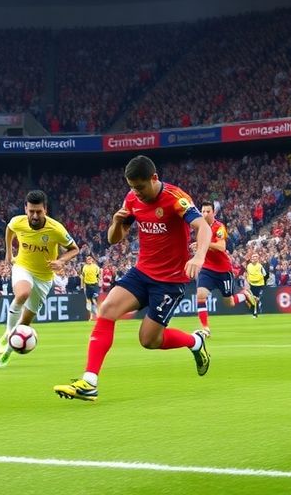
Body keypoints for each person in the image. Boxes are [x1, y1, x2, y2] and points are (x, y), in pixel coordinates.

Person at [54, 155, 212, 402]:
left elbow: (203, 227)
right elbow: (113, 239)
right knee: (106, 309)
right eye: (131, 187)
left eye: (140, 187)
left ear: (154, 179)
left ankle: (195, 342)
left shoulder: (175, 198)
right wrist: (116, 223)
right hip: (141, 272)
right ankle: (90, 382)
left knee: (148, 340)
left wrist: (199, 256)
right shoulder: (132, 199)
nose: (136, 192)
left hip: (170, 281)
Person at [0, 190, 80, 368]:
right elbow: (9, 230)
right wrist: (9, 252)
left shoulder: (56, 229)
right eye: (31, 211)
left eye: (38, 211)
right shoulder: (18, 221)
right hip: (23, 267)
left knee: (25, 322)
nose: (34, 215)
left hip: (44, 278)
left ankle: (9, 351)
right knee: (22, 294)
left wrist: (61, 261)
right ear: (25, 209)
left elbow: (74, 249)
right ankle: (9, 333)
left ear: (45, 210)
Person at [193, 202, 257, 336]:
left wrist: (203, 244)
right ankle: (205, 328)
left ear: (213, 212)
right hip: (207, 268)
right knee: (200, 296)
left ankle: (245, 294)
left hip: (223, 270)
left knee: (230, 303)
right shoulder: (199, 227)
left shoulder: (219, 227)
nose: (205, 214)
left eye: (207, 211)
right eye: (203, 211)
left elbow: (222, 247)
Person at [244, 252, 269, 318]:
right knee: (252, 299)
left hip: (259, 284)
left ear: (257, 259)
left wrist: (263, 281)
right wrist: (247, 282)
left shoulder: (260, 266)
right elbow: (247, 275)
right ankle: (254, 311)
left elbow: (265, 274)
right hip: (251, 284)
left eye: (255, 257)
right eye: (252, 257)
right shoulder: (248, 266)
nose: (253, 258)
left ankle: (255, 312)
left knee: (256, 299)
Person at [80, 254, 101, 321]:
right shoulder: (84, 267)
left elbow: (99, 275)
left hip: (94, 285)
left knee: (94, 299)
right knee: (89, 302)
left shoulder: (96, 267)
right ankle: (91, 316)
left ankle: (98, 314)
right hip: (87, 285)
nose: (88, 260)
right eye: (87, 259)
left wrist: (100, 282)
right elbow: (82, 277)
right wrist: (82, 286)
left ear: (92, 260)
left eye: (89, 259)